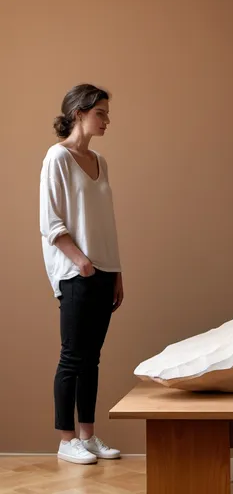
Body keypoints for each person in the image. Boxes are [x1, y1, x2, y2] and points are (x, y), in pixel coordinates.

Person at [39, 84, 123, 465]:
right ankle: (66, 438)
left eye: (106, 113)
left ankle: (87, 436)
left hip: (104, 271)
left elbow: (107, 222)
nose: (107, 119)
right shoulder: (57, 157)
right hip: (76, 273)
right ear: (79, 114)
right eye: (100, 113)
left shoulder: (101, 162)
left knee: (93, 358)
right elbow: (51, 221)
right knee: (73, 356)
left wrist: (116, 271)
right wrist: (82, 263)